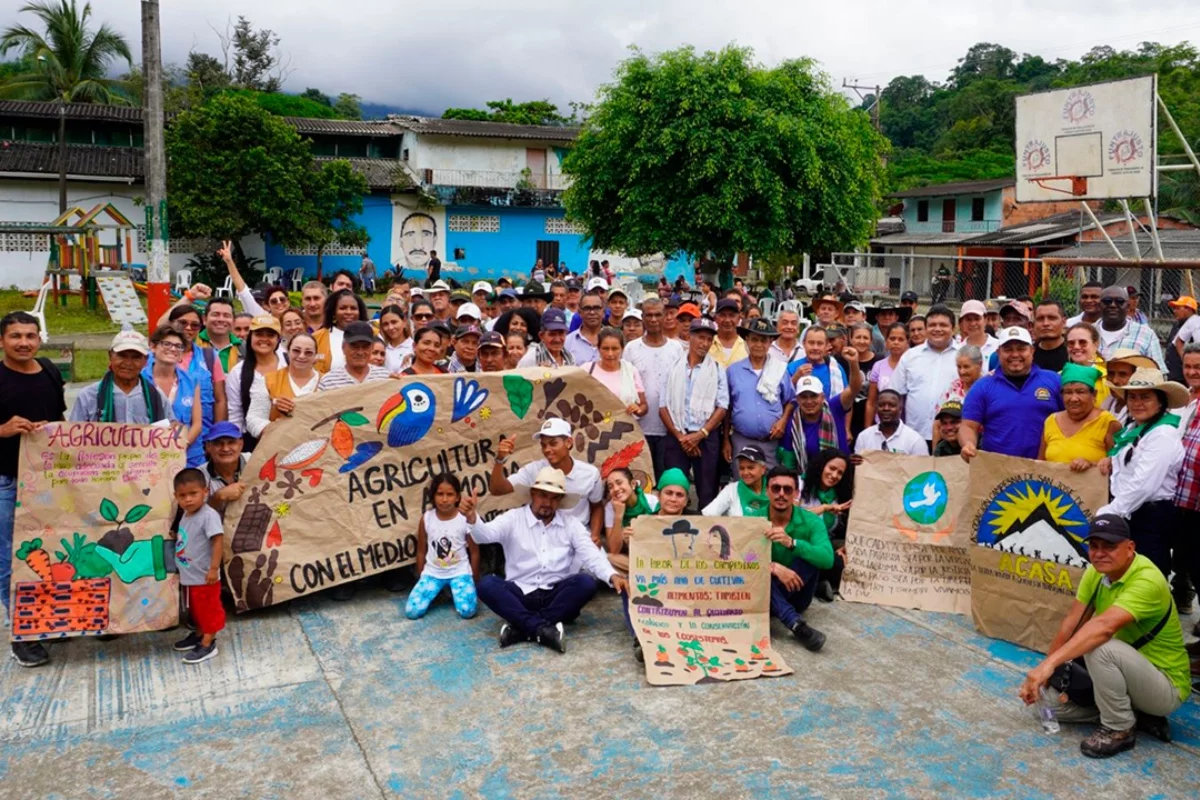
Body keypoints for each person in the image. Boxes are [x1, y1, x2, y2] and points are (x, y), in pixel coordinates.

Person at [1018, 515, 1190, 758]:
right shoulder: (1097, 573)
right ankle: (1134, 714)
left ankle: (1119, 727)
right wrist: (1043, 676)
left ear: (1130, 548)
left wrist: (1049, 665)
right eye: (1094, 546)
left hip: (1164, 685)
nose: (1100, 554)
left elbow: (1103, 627)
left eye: (1110, 546)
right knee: (1046, 707)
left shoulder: (1147, 579)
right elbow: (1071, 625)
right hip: (1125, 674)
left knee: (1099, 647)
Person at [464, 466, 627, 652]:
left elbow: (591, 553)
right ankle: (543, 629)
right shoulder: (513, 518)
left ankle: (522, 627)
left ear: (560, 500)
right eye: (543, 495)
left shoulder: (570, 523)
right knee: (486, 585)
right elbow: (484, 535)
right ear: (533, 494)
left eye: (554, 497)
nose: (547, 502)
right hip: (521, 592)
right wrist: (472, 518)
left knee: (586, 583)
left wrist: (612, 575)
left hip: (555, 594)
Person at [0, 311, 66, 667]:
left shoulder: (49, 371)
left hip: (46, 480)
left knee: (49, 553)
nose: (23, 342)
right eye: (15, 336)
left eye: (29, 335)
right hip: (6, 481)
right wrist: (3, 430)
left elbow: (60, 419)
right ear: (2, 341)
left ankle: (44, 617)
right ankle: (21, 633)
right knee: (9, 559)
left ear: (39, 339)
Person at [1097, 369, 1188, 578]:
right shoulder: (1134, 429)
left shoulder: (1162, 434)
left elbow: (1144, 485)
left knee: (1147, 574)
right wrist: (1110, 460)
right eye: (1133, 397)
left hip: (1149, 516)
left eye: (1145, 397)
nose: (1137, 403)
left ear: (1160, 401)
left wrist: (1111, 511)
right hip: (1130, 511)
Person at [492, 418, 605, 547]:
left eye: (553, 443)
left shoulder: (590, 474)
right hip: (542, 539)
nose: (547, 449)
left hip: (579, 538)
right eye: (543, 445)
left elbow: (597, 506)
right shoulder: (533, 470)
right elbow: (497, 489)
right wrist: (500, 459)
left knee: (599, 565)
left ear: (568, 443)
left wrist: (595, 535)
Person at [960, 326, 1064, 461]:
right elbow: (968, 425)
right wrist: (968, 444)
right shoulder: (982, 386)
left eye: (1021, 349)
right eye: (1008, 349)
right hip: (999, 470)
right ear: (998, 352)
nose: (1015, 355)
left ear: (1032, 351)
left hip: (1046, 469)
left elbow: (1071, 419)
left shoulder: (1054, 380)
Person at [661, 318, 728, 509]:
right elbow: (663, 407)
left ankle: (706, 534)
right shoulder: (673, 367)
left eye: (709, 339)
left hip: (706, 437)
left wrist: (700, 435)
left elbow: (722, 406)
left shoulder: (717, 369)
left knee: (708, 491)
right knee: (674, 487)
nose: (704, 343)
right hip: (677, 435)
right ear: (690, 337)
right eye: (700, 337)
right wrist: (682, 438)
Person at [764, 466, 833, 652]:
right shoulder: (753, 519)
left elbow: (828, 559)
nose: (781, 494)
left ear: (796, 493)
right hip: (763, 592)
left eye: (787, 489)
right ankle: (796, 625)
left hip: (797, 593)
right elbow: (738, 561)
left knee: (811, 556)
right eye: (775, 488)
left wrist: (793, 544)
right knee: (755, 572)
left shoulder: (812, 522)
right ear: (766, 491)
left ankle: (782, 609)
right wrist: (772, 567)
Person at [623, 298, 685, 477]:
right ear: (642, 317)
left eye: (658, 314)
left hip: (669, 428)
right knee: (643, 479)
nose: (653, 319)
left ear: (665, 316)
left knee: (666, 478)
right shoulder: (631, 349)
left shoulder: (676, 348)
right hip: (639, 427)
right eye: (649, 315)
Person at [725, 318, 798, 470]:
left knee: (771, 485)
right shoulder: (733, 371)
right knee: (743, 483)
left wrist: (782, 421)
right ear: (747, 341)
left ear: (770, 342)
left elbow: (791, 400)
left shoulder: (779, 370)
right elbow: (727, 407)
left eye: (763, 340)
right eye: (755, 340)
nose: (759, 345)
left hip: (771, 442)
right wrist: (726, 439)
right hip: (741, 440)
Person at [170, 468, 226, 665]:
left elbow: (217, 540)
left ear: (205, 491)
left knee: (208, 609)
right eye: (182, 495)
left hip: (204, 575)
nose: (188, 499)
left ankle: (208, 643)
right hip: (190, 575)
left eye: (193, 493)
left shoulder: (208, 515)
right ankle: (199, 634)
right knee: (196, 610)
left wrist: (213, 568)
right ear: (176, 497)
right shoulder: (186, 515)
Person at [406, 473, 479, 620]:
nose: (444, 499)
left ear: (458, 497)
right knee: (412, 612)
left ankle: (452, 591)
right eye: (440, 494)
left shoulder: (465, 518)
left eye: (450, 494)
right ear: (433, 496)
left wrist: (475, 581)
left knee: (468, 611)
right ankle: (441, 591)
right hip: (433, 573)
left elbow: (475, 552)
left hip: (460, 572)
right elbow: (421, 551)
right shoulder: (427, 518)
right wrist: (421, 577)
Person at [888, 305, 960, 444]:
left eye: (943, 325)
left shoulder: (964, 355)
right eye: (932, 325)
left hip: (953, 436)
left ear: (954, 328)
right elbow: (894, 394)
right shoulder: (910, 356)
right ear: (926, 328)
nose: (937, 329)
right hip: (914, 435)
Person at [70, 330, 173, 425]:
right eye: (122, 356)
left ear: (145, 360)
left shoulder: (156, 396)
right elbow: (74, 435)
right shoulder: (88, 396)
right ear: (110, 356)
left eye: (135, 357)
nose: (128, 363)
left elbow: (171, 431)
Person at [1039, 364, 1119, 471]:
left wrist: (1091, 465)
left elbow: (1118, 466)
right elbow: (1040, 464)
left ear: (1094, 395)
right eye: (1068, 392)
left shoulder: (1107, 422)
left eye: (1081, 392)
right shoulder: (1051, 420)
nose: (1074, 398)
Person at [144, 325, 205, 465]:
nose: (173, 349)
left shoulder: (192, 380)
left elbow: (197, 424)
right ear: (153, 347)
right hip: (149, 458)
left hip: (188, 457)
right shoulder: (139, 380)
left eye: (178, 346)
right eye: (166, 344)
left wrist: (180, 448)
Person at [226, 316, 281, 449]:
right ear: (250, 337)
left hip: (287, 438)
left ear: (278, 339)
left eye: (270, 335)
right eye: (259, 334)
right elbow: (235, 414)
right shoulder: (238, 372)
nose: (264, 339)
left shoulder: (289, 365)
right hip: (251, 441)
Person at [168, 304, 226, 426]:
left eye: (194, 325)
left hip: (203, 436)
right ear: (171, 324)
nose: (188, 328)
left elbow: (220, 400)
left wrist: (218, 433)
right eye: (182, 323)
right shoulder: (156, 357)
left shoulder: (209, 357)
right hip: (162, 436)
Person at [254, 333, 321, 436]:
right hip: (278, 445)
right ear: (288, 352)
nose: (301, 356)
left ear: (316, 356)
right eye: (296, 351)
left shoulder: (326, 381)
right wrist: (276, 429)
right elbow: (254, 418)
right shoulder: (268, 380)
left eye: (308, 352)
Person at [603, 467, 659, 575]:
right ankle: (647, 574)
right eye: (611, 487)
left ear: (633, 484)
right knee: (607, 558)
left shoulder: (651, 501)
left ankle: (641, 575)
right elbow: (614, 550)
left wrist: (639, 534)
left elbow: (663, 538)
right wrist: (618, 517)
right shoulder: (610, 508)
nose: (615, 489)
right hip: (632, 557)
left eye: (619, 483)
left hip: (656, 555)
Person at [1096, 286, 1165, 370]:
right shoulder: (1086, 332)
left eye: (1119, 302)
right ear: (1099, 306)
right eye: (1107, 301)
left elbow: (1158, 372)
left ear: (1128, 306)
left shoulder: (1146, 334)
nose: (1113, 305)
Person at [855, 389, 929, 457]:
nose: (886, 408)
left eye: (892, 405)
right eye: (881, 405)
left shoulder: (915, 440)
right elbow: (859, 467)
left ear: (900, 409)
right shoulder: (864, 437)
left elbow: (922, 469)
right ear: (876, 409)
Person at [319, 322, 393, 389]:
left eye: (365, 347)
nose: (360, 352)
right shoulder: (328, 381)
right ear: (343, 348)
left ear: (371, 348)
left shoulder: (385, 377)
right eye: (354, 346)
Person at [702, 445, 769, 517]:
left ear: (763, 469)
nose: (745, 473)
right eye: (741, 468)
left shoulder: (775, 489)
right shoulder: (731, 490)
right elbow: (708, 515)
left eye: (750, 468)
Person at [312, 290, 369, 374]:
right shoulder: (317, 337)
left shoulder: (372, 334)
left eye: (353, 308)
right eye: (343, 308)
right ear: (333, 312)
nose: (348, 312)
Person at [865, 323, 909, 428]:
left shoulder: (912, 366)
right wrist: (867, 429)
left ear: (907, 342)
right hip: (880, 423)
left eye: (900, 339)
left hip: (905, 425)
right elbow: (871, 402)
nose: (896, 342)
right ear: (886, 342)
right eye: (892, 339)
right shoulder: (878, 366)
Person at [201, 422, 248, 519]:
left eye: (231, 442)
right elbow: (193, 517)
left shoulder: (255, 461)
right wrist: (217, 497)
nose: (225, 449)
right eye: (218, 443)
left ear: (241, 444)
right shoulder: (198, 475)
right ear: (208, 447)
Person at [1104, 348, 1159, 424]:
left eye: (1122, 374)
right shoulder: (1108, 402)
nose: (1114, 380)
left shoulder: (1143, 410)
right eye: (1111, 374)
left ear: (1136, 377)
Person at [847, 323, 881, 442]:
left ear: (871, 340)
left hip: (871, 416)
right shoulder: (843, 360)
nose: (862, 341)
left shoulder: (879, 361)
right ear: (850, 339)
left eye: (865, 338)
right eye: (858, 337)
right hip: (848, 416)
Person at [1067, 322, 1111, 408]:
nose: (1076, 347)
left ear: (1096, 344)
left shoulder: (1109, 377)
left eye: (1082, 342)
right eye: (1071, 343)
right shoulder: (1059, 377)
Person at [197, 298, 241, 374]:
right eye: (215, 315)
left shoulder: (244, 348)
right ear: (204, 319)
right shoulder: (191, 343)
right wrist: (189, 297)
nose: (221, 319)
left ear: (234, 322)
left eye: (226, 316)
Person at [565, 292, 604, 364]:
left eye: (596, 308)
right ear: (580, 312)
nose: (592, 312)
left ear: (603, 311)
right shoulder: (567, 342)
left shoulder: (614, 339)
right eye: (587, 308)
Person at [1168, 295, 1199, 383]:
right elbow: (1177, 342)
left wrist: (1188, 363)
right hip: (1175, 372)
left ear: (1188, 309)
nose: (1174, 311)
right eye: (1174, 308)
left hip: (1185, 375)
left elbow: (1179, 342)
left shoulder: (1195, 322)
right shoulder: (1178, 324)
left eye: (1178, 308)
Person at [956, 300, 998, 364]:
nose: (973, 323)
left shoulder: (998, 346)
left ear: (985, 320)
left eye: (977, 319)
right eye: (968, 319)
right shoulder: (958, 349)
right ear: (962, 323)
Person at [1033, 300, 1070, 372]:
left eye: (1052, 318)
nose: (1045, 323)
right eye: (1040, 319)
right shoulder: (1028, 354)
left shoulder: (1073, 352)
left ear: (1064, 322)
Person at [377, 305, 412, 374]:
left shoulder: (414, 347)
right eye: (386, 324)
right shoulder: (381, 349)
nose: (390, 327)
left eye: (394, 322)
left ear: (404, 322)